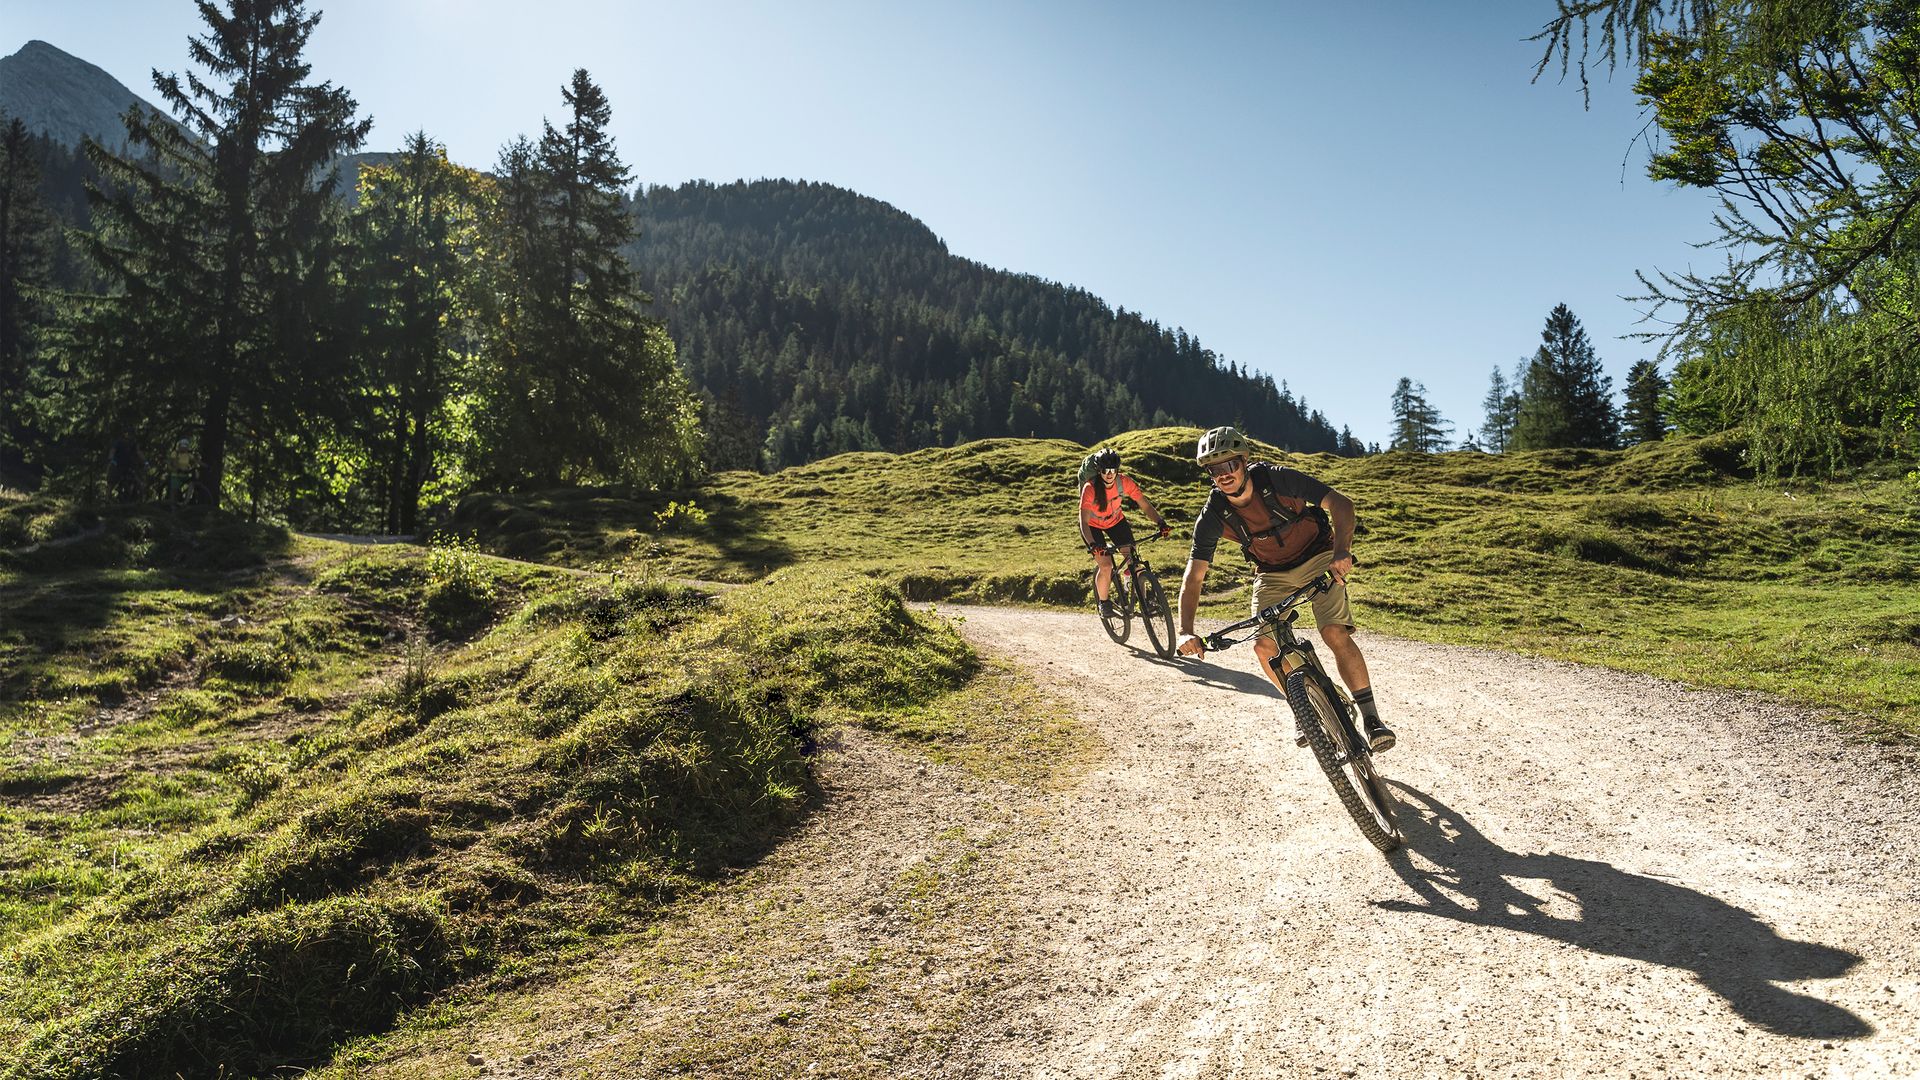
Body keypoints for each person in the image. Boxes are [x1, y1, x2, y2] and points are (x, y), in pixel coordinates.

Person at [1173, 426, 1395, 751]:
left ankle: (1372, 718)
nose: (1223, 475)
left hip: (1318, 556)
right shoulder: (1213, 515)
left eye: (1229, 465)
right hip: (1272, 573)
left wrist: (1341, 552)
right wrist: (1185, 630)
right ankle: (1302, 710)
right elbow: (1194, 577)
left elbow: (1341, 504)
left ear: (1243, 462)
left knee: (1334, 631)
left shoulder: (1277, 480)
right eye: (1214, 469)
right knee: (1265, 646)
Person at [1078, 447, 1171, 619]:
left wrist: (1160, 522)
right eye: (1105, 470)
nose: (1109, 474)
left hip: (1116, 522)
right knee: (1106, 566)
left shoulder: (1124, 482)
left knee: (1135, 562)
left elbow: (1144, 504)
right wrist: (1093, 545)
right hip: (1093, 526)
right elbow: (1083, 521)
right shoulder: (1090, 488)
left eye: (1113, 470)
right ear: (1099, 471)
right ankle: (1104, 603)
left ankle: (1142, 601)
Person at [166, 437, 200, 504]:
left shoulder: (188, 455)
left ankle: (186, 502)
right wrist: (178, 469)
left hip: (185, 475)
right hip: (176, 475)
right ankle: (173, 506)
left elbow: (196, 461)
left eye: (185, 447)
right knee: (174, 491)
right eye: (182, 447)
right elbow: (174, 463)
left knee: (192, 483)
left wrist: (205, 466)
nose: (183, 449)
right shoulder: (175, 453)